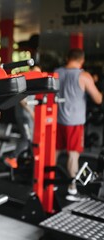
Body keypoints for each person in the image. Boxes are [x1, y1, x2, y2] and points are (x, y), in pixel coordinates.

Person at [55, 48, 102, 202]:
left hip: (58, 120)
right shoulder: (84, 75)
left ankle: (49, 184)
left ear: (68, 57)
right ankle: (72, 189)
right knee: (73, 156)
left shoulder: (56, 72)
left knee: (53, 154)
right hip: (74, 123)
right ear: (82, 60)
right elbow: (98, 99)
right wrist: (92, 83)